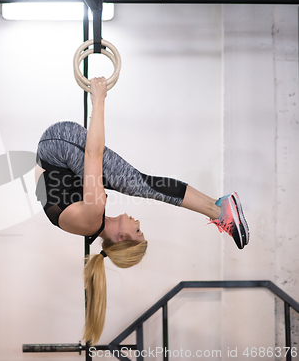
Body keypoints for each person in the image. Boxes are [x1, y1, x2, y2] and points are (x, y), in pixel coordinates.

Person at [34, 77, 249, 345]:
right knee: (135, 183)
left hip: (57, 145)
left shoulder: (93, 213)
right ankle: (218, 207)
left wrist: (99, 100)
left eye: (137, 230)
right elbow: (45, 188)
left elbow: (93, 152)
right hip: (54, 159)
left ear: (121, 238)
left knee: (137, 184)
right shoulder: (89, 221)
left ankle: (219, 210)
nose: (137, 221)